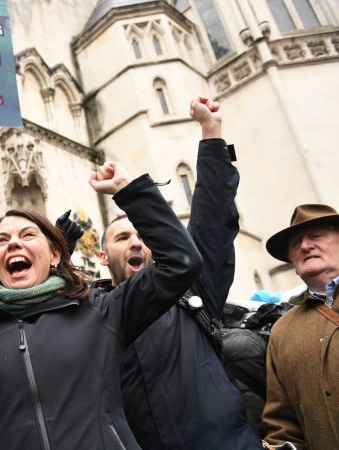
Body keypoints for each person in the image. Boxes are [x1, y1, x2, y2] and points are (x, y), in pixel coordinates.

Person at [0, 162, 203, 449]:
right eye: (1, 241)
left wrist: (132, 194)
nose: (13, 243)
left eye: (28, 235)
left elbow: (181, 263)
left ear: (55, 254)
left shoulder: (100, 311)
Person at [115, 97, 261, 449]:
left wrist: (211, 134)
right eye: (122, 237)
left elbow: (211, 221)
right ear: (104, 256)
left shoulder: (192, 293)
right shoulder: (98, 313)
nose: (135, 244)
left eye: (141, 236)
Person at [261, 204, 339, 450]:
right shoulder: (282, 330)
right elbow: (282, 425)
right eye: (296, 243)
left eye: (316, 236)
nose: (305, 246)